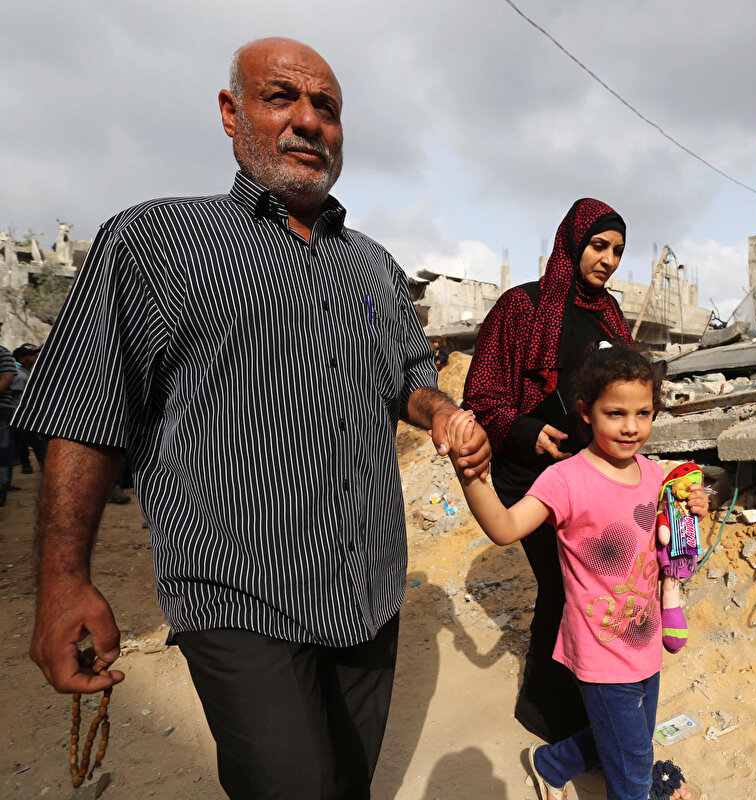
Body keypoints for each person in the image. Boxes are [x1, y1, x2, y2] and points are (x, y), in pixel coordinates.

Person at [16, 38, 491, 800]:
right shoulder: (155, 242)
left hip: (367, 587)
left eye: (327, 109)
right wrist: (64, 580)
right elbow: (84, 408)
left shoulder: (372, 265)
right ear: (232, 114)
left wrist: (440, 409)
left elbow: (405, 375)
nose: (308, 121)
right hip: (238, 589)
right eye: (281, 98)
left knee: (348, 782)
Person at [447, 346, 702, 800]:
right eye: (616, 412)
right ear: (585, 412)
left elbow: (673, 543)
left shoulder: (654, 475)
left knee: (631, 741)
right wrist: (473, 478)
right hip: (601, 650)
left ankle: (551, 763)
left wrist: (694, 508)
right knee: (634, 768)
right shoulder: (565, 480)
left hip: (644, 639)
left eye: (643, 413)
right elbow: (505, 528)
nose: (631, 426)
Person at [463, 198, 634, 743]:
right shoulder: (523, 308)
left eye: (617, 252)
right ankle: (549, 717)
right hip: (533, 476)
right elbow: (482, 389)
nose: (607, 260)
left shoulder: (611, 318)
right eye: (599, 245)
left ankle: (589, 707)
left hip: (594, 477)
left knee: (592, 590)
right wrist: (523, 430)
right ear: (573, 241)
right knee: (562, 588)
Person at [11, 344, 47, 474]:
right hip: (20, 414)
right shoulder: (20, 376)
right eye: (31, 354)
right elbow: (13, 396)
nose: (36, 356)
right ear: (22, 359)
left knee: (27, 442)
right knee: (34, 442)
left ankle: (31, 465)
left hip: (26, 414)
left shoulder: (28, 372)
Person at [0, 336, 16, 507]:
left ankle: (1, 490)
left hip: (1, 409)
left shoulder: (3, 353)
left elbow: (7, 378)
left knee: (2, 452)